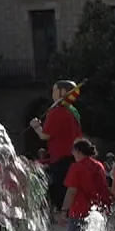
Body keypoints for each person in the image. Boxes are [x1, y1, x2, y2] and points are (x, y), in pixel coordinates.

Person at [29, 80, 83, 212]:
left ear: (62, 92)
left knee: (59, 192)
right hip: (74, 157)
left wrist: (36, 127)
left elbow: (45, 135)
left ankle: (63, 216)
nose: (52, 93)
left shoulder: (56, 112)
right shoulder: (73, 111)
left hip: (60, 158)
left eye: (54, 90)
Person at [59, 139, 112, 231]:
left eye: (73, 151)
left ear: (78, 151)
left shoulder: (76, 167)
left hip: (79, 210)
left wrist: (64, 211)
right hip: (97, 209)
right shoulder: (99, 166)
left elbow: (72, 191)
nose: (72, 153)